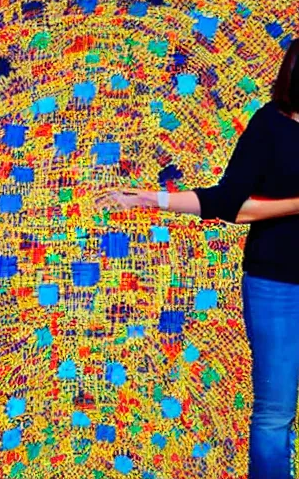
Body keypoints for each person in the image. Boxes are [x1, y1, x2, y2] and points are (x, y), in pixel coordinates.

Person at [96, 38, 299, 479]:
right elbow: (230, 204)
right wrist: (150, 199)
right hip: (279, 285)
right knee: (275, 412)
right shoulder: (271, 125)